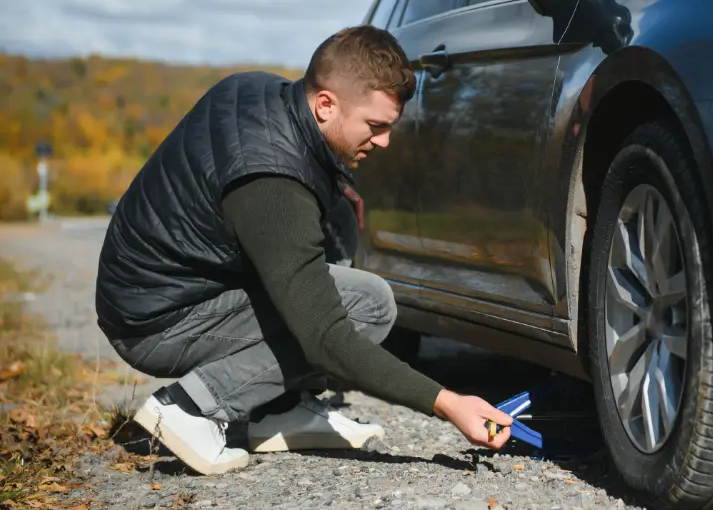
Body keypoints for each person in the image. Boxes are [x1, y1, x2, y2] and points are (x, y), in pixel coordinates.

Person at [95, 25, 513, 475]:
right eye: (375, 127)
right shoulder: (272, 182)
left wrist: (331, 184)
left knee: (339, 248)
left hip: (153, 288)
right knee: (367, 308)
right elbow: (327, 339)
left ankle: (278, 408)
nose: (385, 141)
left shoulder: (260, 91)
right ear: (326, 104)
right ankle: (190, 408)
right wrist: (449, 403)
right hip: (156, 320)